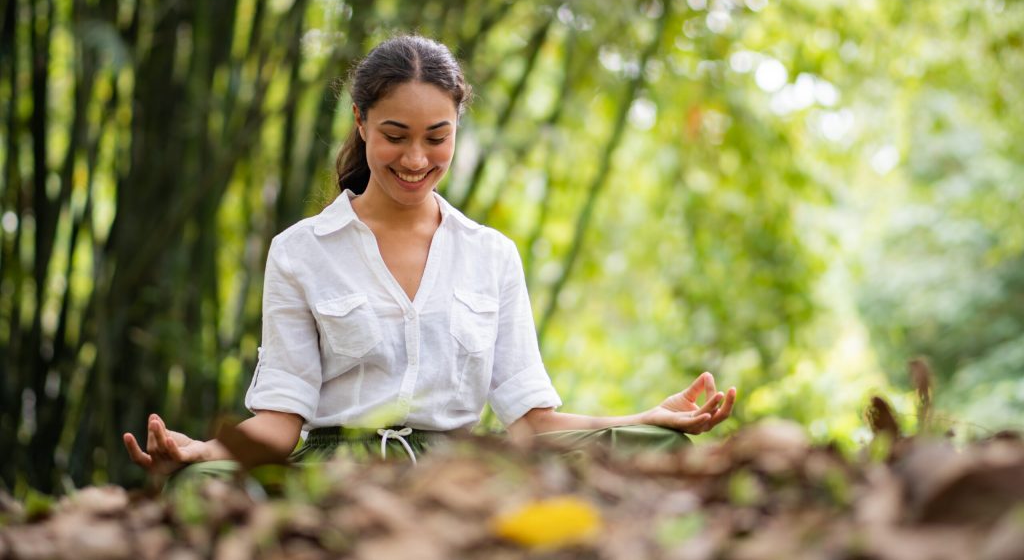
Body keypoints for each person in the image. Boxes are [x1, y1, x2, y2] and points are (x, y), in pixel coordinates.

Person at [123, 35, 736, 476]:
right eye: (395, 136)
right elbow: (282, 423)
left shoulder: (491, 255)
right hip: (337, 471)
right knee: (199, 485)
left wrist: (644, 420)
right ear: (361, 123)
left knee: (662, 450)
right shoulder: (299, 252)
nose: (416, 160)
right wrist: (202, 449)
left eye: (436, 138)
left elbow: (531, 422)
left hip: (460, 473)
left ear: (456, 128)